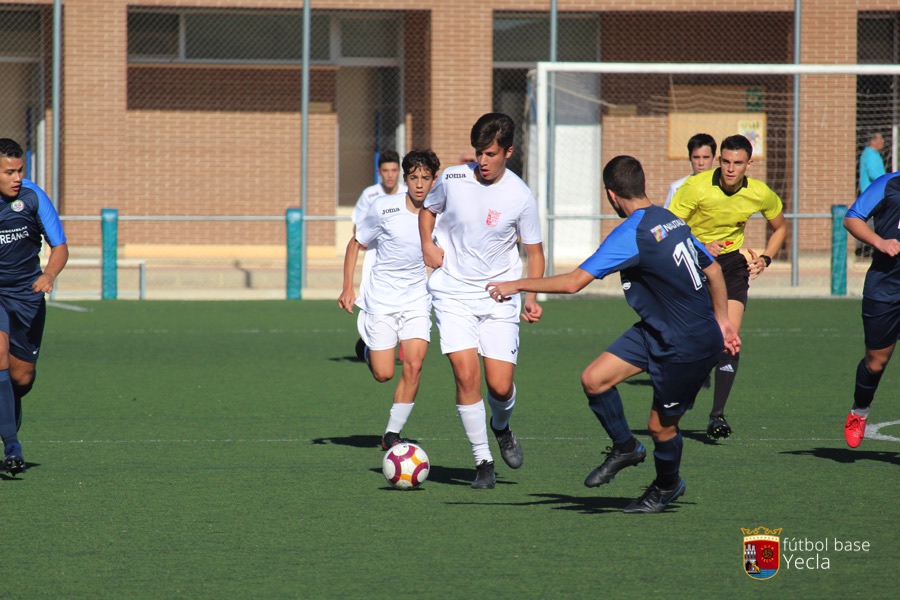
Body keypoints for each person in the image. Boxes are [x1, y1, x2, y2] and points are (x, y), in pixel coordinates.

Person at [486, 155, 740, 513]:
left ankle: (668, 486)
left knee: (660, 428)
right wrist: (725, 320)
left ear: (611, 195)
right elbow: (713, 269)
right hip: (660, 329)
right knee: (594, 379)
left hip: (687, 343)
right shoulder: (670, 218)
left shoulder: (632, 233)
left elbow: (575, 282)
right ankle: (625, 447)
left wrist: (516, 283)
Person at [419, 113, 545, 489]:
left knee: (500, 386)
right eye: (478, 153)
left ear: (509, 151)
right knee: (465, 373)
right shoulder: (454, 179)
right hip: (453, 292)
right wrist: (427, 243)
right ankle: (483, 461)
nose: (483, 162)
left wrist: (531, 295)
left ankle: (501, 426)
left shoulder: (520, 196)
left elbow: (535, 253)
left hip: (499, 297)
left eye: (491, 154)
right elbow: (427, 210)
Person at [668, 134, 787, 440]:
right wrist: (701, 244)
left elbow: (781, 226)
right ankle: (683, 395)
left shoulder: (759, 192)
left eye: (738, 163)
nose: (731, 169)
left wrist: (766, 257)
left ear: (749, 164)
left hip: (732, 266)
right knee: (691, 341)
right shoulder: (695, 187)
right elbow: (668, 229)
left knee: (729, 339)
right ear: (719, 160)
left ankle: (716, 415)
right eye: (726, 161)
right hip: (694, 263)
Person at [338, 150, 440, 450]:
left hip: (417, 299)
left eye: (425, 178)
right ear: (405, 179)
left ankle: (392, 434)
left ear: (434, 179)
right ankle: (367, 349)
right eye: (414, 178)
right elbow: (356, 243)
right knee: (384, 374)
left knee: (414, 364)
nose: (419, 184)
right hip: (381, 299)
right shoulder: (384, 207)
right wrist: (347, 287)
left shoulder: (442, 212)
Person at [0, 138, 69, 474]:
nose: (17, 177)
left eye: (20, 170)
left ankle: (8, 414)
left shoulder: (32, 196)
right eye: (8, 171)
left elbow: (60, 246)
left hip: (27, 295)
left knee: (21, 378)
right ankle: (12, 445)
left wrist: (50, 274)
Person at [842, 170, 900, 448]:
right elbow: (852, 218)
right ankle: (859, 411)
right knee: (876, 362)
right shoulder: (889, 184)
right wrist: (880, 242)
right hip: (885, 288)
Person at [346, 150, 407, 361]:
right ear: (378, 172)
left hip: (402, 261)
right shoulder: (370, 194)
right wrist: (361, 240)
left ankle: (399, 343)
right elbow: (358, 223)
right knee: (376, 298)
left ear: (399, 171)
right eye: (385, 171)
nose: (390, 175)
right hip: (375, 258)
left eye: (393, 170)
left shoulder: (409, 193)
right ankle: (371, 340)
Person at [664, 133, 717, 208]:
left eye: (705, 157)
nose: (701, 163)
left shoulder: (724, 186)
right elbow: (667, 217)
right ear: (689, 157)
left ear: (714, 158)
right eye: (696, 157)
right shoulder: (677, 187)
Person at [856, 131, 887, 258]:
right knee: (872, 222)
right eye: (881, 139)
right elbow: (875, 174)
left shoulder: (874, 154)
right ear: (873, 141)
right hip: (872, 195)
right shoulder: (870, 154)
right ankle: (865, 251)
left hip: (878, 195)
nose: (883, 142)